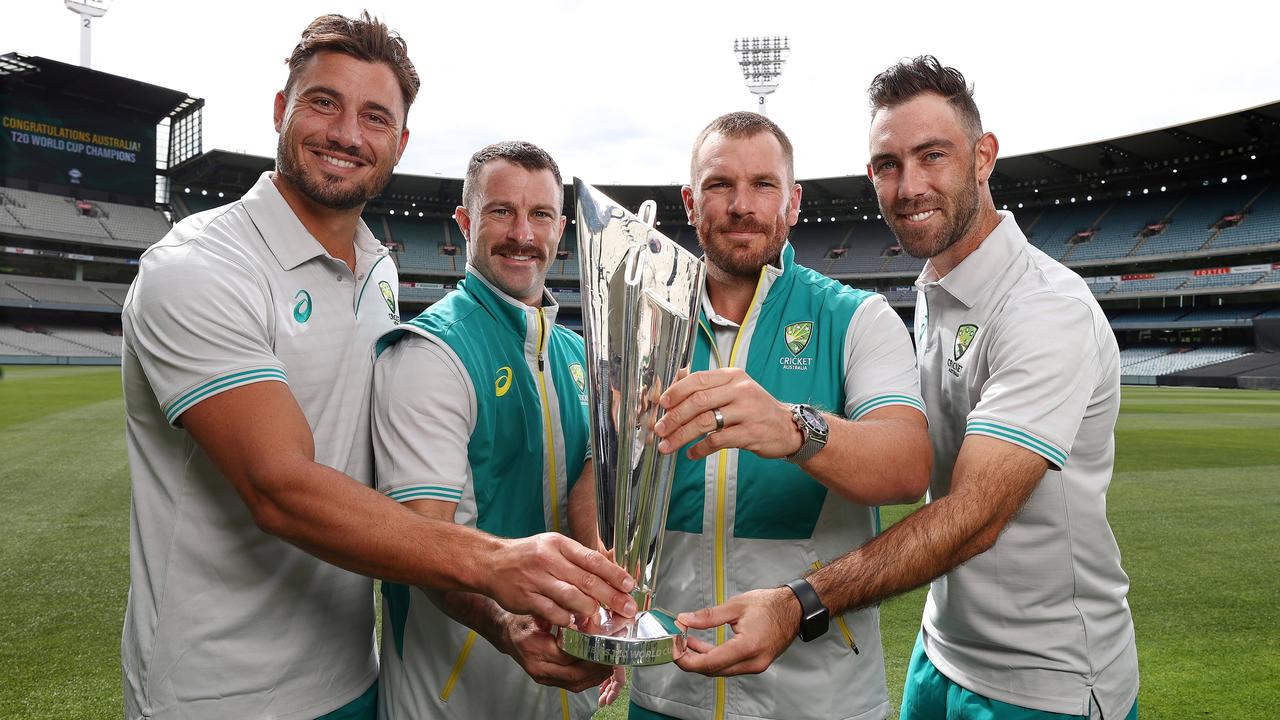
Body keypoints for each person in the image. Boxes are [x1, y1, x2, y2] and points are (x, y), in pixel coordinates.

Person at [119, 17, 634, 720]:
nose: (346, 134)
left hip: (350, 675)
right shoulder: (201, 267)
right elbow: (281, 488)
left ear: (399, 142)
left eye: (374, 116)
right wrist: (494, 564)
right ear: (281, 110)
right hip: (220, 690)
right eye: (323, 103)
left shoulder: (378, 269)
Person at [674, 57, 1139, 720]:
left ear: (983, 157)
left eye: (933, 156)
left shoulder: (1044, 309)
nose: (909, 186)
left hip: (1047, 678)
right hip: (942, 651)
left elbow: (972, 517)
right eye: (889, 165)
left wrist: (799, 600)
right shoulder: (939, 292)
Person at [629, 111, 932, 720]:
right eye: (720, 185)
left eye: (763, 185)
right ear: (690, 202)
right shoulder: (645, 325)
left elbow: (908, 467)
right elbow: (606, 482)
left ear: (792, 203)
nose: (742, 205)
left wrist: (796, 429)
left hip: (816, 697)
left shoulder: (857, 318)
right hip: (665, 692)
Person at [371, 141, 623, 719]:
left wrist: (607, 601)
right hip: (455, 697)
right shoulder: (429, 354)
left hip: (562, 697)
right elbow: (421, 544)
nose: (522, 234)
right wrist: (506, 626)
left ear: (561, 228)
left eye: (540, 215)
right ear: (464, 222)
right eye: (501, 211)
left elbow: (588, 498)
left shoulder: (576, 353)